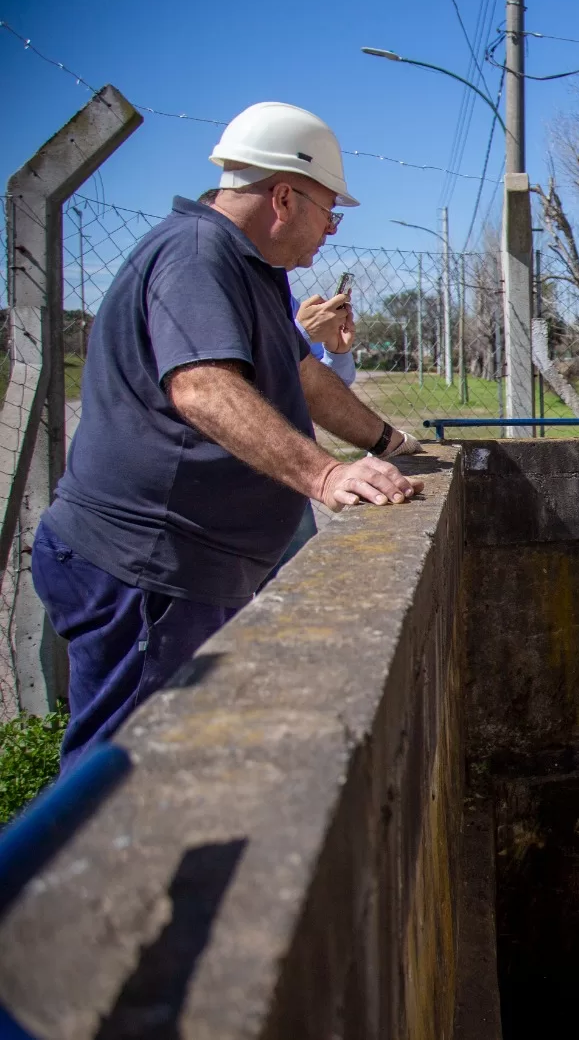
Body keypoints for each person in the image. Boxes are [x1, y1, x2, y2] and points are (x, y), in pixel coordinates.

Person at [33, 102, 424, 773]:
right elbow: (202, 388)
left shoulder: (253, 269)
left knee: (175, 764)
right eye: (328, 209)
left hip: (180, 571)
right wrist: (326, 476)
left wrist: (386, 439)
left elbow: (302, 375)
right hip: (144, 570)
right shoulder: (195, 253)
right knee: (126, 778)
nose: (332, 227)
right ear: (281, 196)